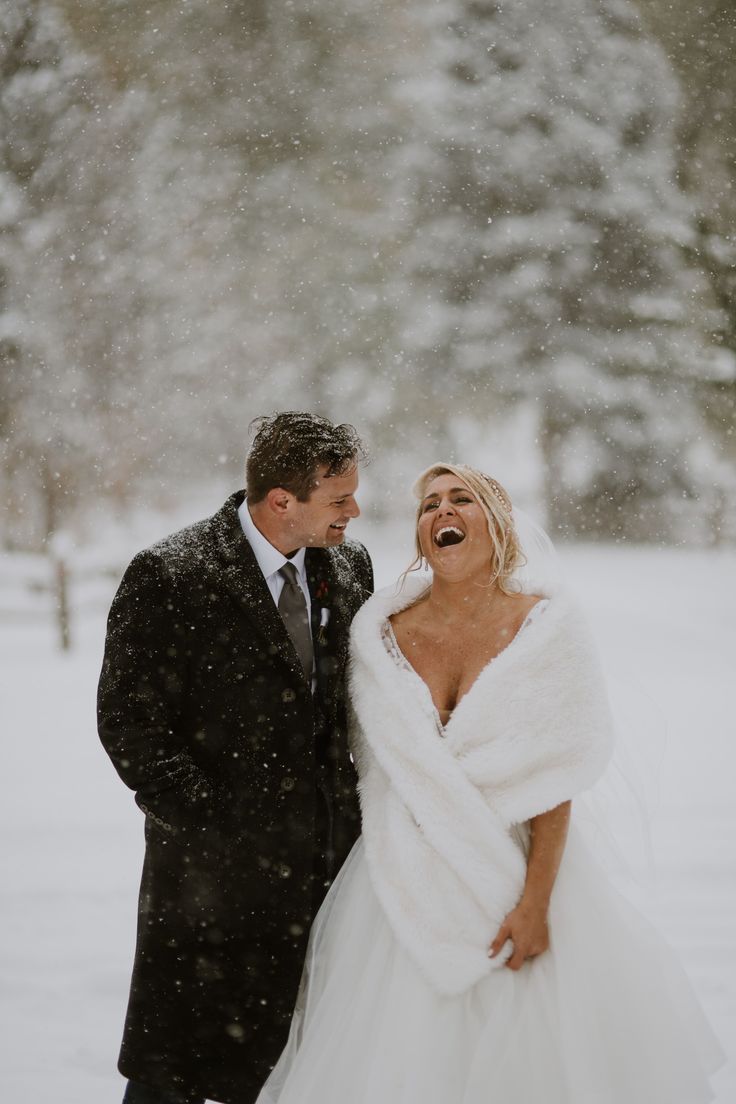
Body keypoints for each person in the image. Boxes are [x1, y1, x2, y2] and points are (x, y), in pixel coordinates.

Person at [256, 462, 724, 1104]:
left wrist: (534, 905)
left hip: (516, 872)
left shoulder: (545, 628)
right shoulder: (380, 636)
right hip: (399, 880)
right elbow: (369, 766)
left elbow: (555, 778)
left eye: (461, 500)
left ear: (498, 522)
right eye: (428, 506)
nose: (441, 513)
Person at [97, 412, 374, 1104]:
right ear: (282, 501)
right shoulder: (169, 572)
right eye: (338, 498)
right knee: (176, 1073)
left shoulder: (350, 564)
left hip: (324, 874)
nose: (355, 510)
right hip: (205, 884)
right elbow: (130, 725)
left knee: (292, 1069)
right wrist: (215, 826)